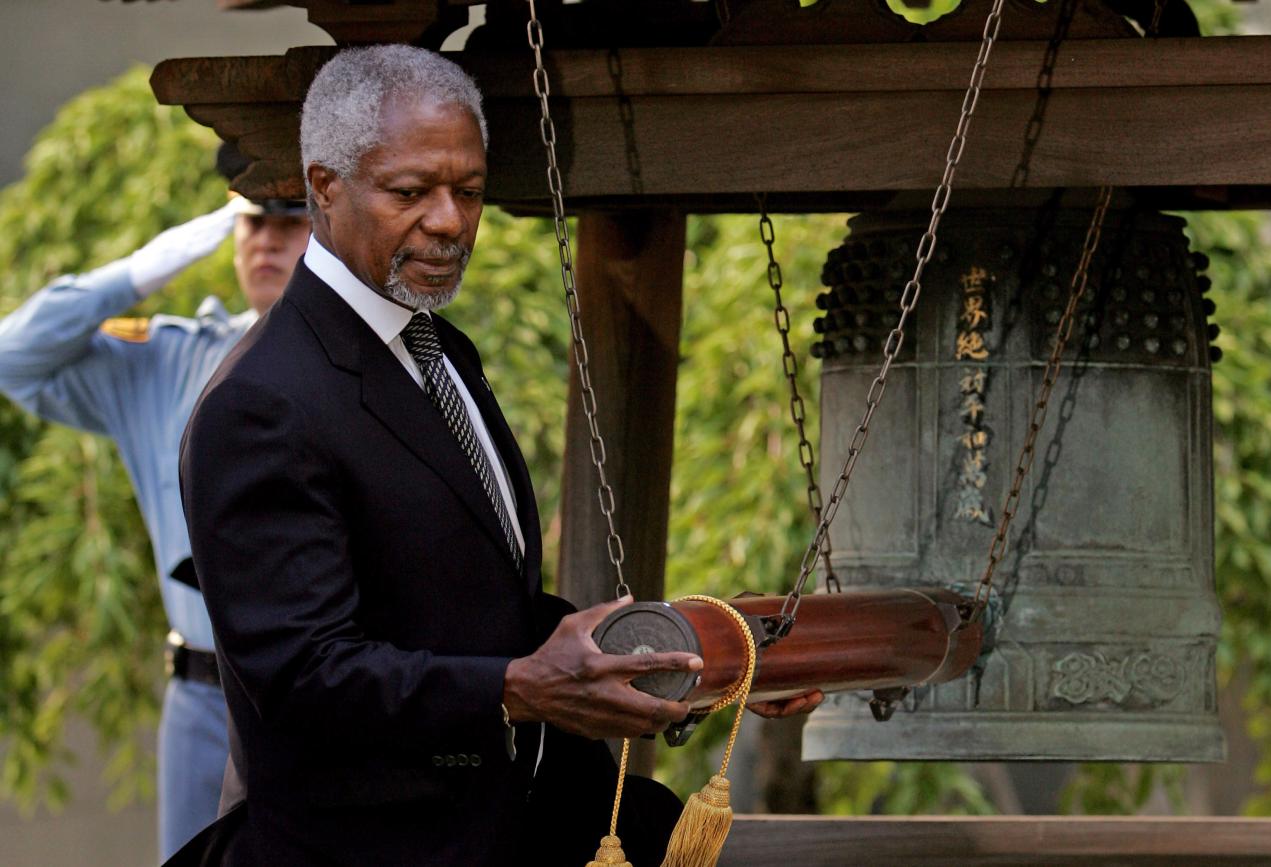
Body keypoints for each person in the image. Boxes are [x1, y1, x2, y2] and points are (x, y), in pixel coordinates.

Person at [176, 45, 819, 866]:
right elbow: (302, 677)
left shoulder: (440, 348)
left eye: (469, 191)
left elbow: (485, 613)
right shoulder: (262, 400)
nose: (449, 221)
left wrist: (700, 650)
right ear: (325, 185)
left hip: (509, 825)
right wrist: (515, 688)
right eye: (411, 192)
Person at [0, 151, 311, 860]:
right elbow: (11, 355)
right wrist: (147, 266)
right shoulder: (167, 360)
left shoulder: (366, 360)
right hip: (204, 698)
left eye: (291, 225)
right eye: (251, 222)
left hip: (320, 698)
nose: (267, 240)